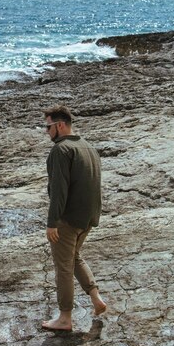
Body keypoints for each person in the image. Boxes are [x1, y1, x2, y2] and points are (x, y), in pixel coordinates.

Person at [42, 105, 106, 332]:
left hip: (67, 220)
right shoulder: (87, 146)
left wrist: (52, 223)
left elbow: (59, 190)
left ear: (60, 125)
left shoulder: (61, 150)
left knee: (63, 268)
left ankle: (65, 318)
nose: (46, 131)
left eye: (48, 127)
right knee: (74, 257)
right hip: (87, 217)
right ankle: (96, 298)